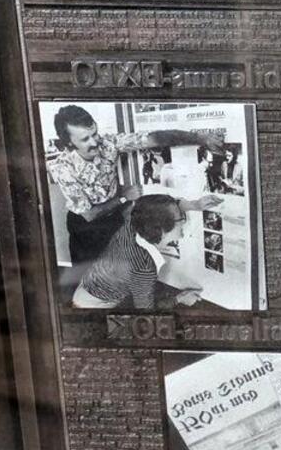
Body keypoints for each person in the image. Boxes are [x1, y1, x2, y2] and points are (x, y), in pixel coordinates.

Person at [46, 106, 221, 268]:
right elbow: (89, 214)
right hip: (86, 228)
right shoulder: (62, 168)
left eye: (95, 133)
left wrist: (200, 138)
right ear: (69, 143)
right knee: (89, 279)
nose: (95, 142)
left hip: (114, 217)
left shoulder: (108, 143)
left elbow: (154, 138)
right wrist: (123, 197)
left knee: (121, 272)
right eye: (85, 139)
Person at [72, 194, 196, 311]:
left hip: (88, 285)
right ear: (161, 230)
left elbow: (155, 208)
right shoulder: (144, 267)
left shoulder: (135, 221)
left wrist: (194, 205)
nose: (184, 222)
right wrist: (179, 299)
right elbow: (146, 312)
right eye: (180, 219)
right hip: (94, 306)